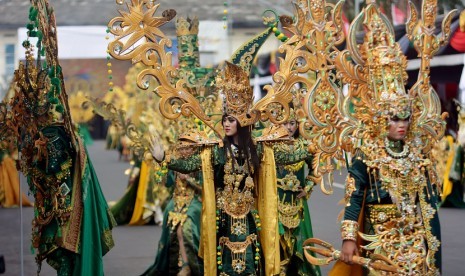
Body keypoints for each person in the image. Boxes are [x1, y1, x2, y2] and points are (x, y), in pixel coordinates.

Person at [142, 144, 203, 276]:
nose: (185, 151)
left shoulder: (199, 161)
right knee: (169, 224)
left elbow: (205, 188)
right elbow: (167, 183)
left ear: (194, 149)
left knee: (184, 229)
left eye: (188, 148)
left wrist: (189, 179)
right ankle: (177, 264)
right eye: (182, 149)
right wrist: (161, 165)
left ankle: (189, 265)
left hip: (194, 201)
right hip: (175, 201)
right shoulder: (175, 161)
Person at [277, 111, 320, 276]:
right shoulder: (271, 146)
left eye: (292, 123)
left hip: (297, 205)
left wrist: (307, 188)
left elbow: (315, 168)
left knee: (299, 246)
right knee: (279, 246)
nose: (288, 127)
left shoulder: (305, 146)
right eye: (285, 123)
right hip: (277, 203)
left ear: (298, 125)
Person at [0, 142, 32, 208]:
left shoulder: (10, 137)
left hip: (7, 162)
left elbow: (14, 149)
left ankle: (8, 198)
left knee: (7, 181)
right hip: (5, 162)